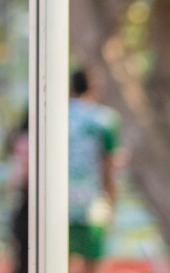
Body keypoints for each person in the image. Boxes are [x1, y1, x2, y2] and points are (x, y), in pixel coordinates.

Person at [68, 70, 118, 273]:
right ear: (94, 88)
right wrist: (112, 199)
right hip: (92, 202)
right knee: (92, 263)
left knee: (60, 260)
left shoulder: (55, 117)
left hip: (58, 202)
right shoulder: (105, 119)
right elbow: (108, 165)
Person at [6, 111, 30, 273]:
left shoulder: (20, 141)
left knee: (22, 261)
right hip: (28, 206)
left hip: (22, 206)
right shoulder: (30, 142)